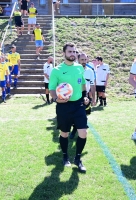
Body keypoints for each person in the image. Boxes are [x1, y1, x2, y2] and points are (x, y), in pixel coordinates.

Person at [49, 43, 89, 172]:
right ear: (64, 53)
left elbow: (82, 83)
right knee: (64, 133)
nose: (72, 54)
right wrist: (56, 99)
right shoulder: (57, 70)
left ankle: (78, 158)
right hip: (64, 106)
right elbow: (52, 89)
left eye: (74, 51)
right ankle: (65, 157)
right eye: (70, 51)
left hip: (78, 105)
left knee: (83, 133)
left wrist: (85, 96)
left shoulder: (79, 68)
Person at [69, 53, 96, 139]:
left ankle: (79, 129)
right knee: (75, 115)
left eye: (85, 60)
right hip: (75, 96)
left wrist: (94, 98)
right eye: (82, 60)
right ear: (78, 60)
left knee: (85, 114)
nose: (84, 62)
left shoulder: (90, 71)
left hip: (86, 96)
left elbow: (92, 85)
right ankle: (74, 130)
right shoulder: (73, 70)